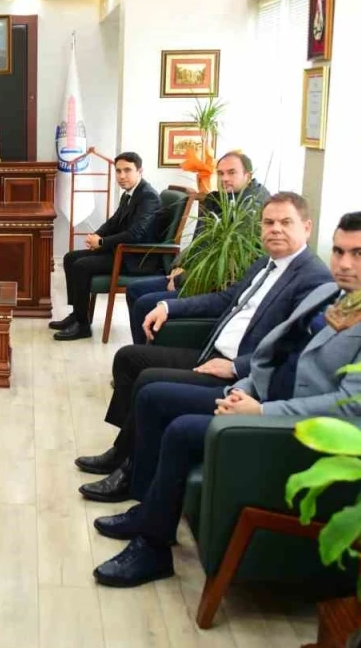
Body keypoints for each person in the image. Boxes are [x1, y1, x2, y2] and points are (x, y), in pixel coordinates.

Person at [91, 212, 361, 588]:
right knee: (155, 396)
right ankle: (146, 510)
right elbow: (278, 353)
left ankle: (153, 548)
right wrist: (247, 388)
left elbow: (353, 406)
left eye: (359, 254)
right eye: (338, 251)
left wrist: (262, 410)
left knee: (182, 430)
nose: (344, 263)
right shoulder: (330, 294)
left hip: (290, 426)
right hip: (257, 395)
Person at [75, 192, 334, 502]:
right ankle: (124, 450)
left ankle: (131, 473)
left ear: (307, 227)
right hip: (211, 352)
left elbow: (294, 349)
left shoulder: (314, 279)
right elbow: (225, 299)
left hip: (237, 372)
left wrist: (237, 367)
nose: (275, 229)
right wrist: (168, 307)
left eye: (285, 222)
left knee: (148, 382)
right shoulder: (265, 263)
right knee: (129, 358)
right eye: (269, 222)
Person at [125, 151, 270, 344]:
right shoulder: (216, 199)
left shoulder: (254, 205)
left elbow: (227, 261)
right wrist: (180, 265)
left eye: (231, 172)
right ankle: (142, 351)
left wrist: (182, 279)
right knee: (134, 290)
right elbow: (199, 241)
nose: (224, 179)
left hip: (220, 284)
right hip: (195, 275)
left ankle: (147, 353)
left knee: (144, 303)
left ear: (248, 176)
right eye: (220, 173)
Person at [51, 152, 162, 341]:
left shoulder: (148, 197)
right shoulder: (129, 194)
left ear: (140, 171)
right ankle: (78, 314)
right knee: (70, 258)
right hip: (122, 251)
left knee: (81, 266)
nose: (122, 176)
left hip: (136, 257)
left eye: (127, 170)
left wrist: (102, 242)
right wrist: (97, 235)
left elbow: (135, 235)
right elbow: (113, 223)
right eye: (118, 171)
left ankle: (83, 327)